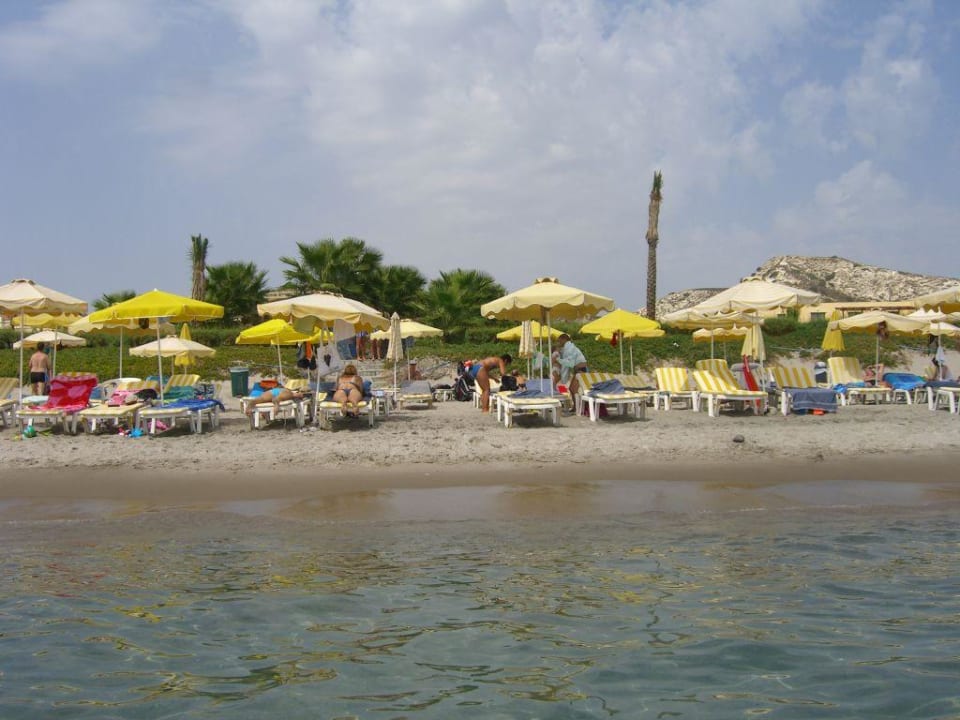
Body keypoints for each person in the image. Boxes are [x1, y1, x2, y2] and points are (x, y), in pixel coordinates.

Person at [552, 333, 588, 410]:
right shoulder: (568, 348)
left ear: (564, 339)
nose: (559, 343)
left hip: (581, 370)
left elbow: (569, 363)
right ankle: (576, 407)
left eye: (559, 341)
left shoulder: (569, 349)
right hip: (580, 369)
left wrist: (557, 360)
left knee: (573, 389)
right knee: (573, 389)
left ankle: (577, 408)